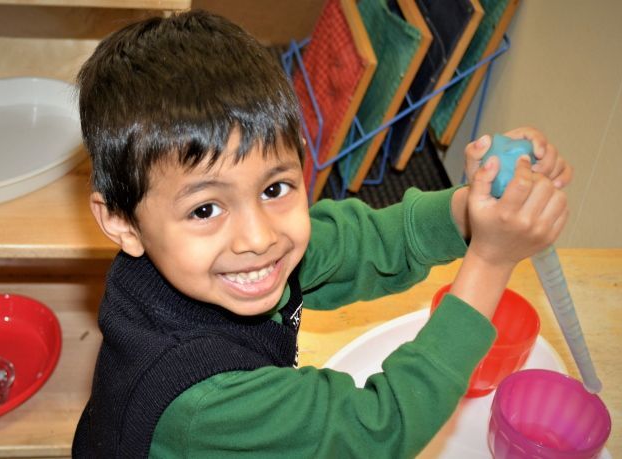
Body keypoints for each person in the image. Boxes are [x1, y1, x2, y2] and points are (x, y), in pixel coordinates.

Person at [72, 10, 573, 458]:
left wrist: (472, 207)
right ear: (122, 223)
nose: (258, 237)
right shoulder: (208, 403)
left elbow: (364, 242)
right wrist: (489, 262)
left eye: (275, 188)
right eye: (205, 208)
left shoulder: (194, 258)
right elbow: (378, 430)